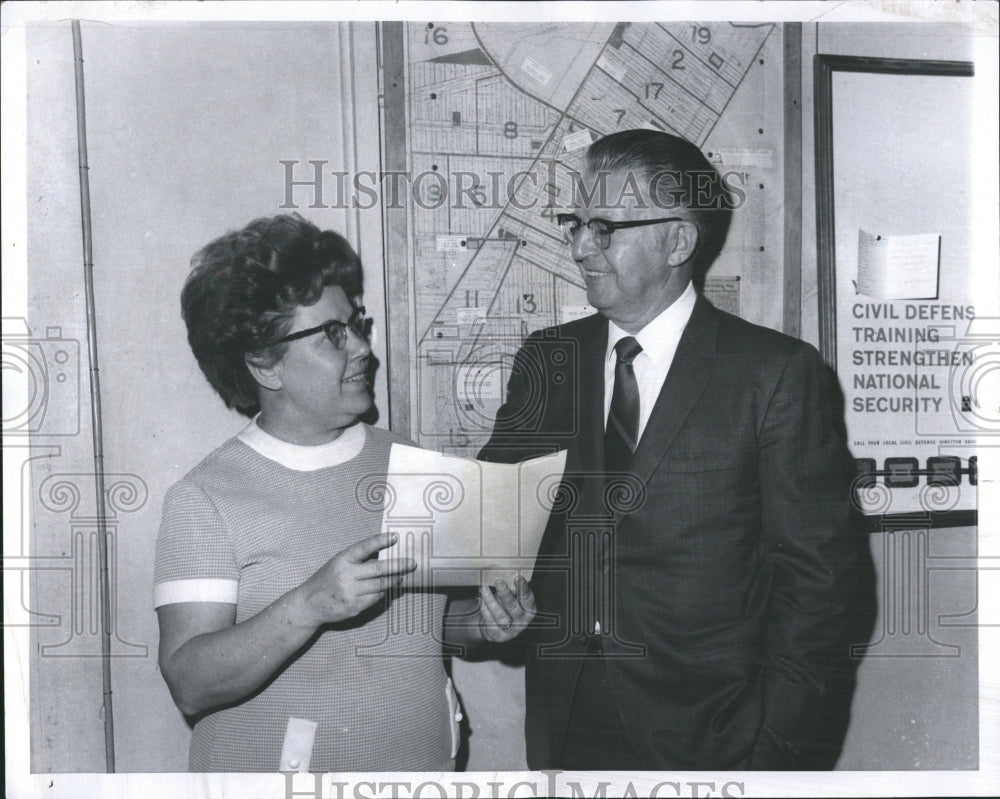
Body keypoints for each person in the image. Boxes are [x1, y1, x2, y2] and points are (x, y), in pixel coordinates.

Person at [479, 130, 861, 770]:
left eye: (605, 228)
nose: (578, 247)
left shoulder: (775, 375)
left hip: (718, 736)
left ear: (678, 241)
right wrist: (493, 601)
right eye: (575, 223)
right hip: (567, 726)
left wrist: (776, 759)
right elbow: (492, 522)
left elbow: (820, 590)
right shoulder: (547, 360)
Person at [154, 213, 534, 772]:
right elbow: (190, 681)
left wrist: (480, 624)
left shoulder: (409, 461)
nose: (362, 349)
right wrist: (311, 604)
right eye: (333, 335)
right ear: (264, 362)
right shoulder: (204, 498)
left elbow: (420, 624)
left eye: (357, 324)